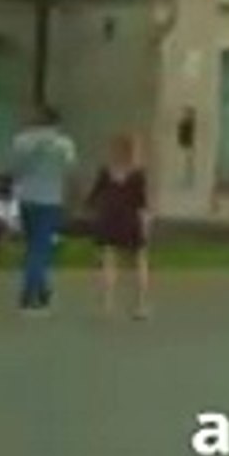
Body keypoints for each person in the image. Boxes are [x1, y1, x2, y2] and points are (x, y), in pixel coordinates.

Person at [8, 104, 77, 316]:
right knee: (41, 248)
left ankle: (42, 289)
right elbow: (70, 170)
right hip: (49, 200)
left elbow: (14, 169)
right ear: (56, 123)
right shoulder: (63, 143)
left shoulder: (21, 141)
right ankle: (29, 296)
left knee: (33, 247)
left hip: (26, 199)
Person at [86, 131, 153, 319]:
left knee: (109, 260)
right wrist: (146, 224)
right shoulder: (138, 174)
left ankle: (108, 305)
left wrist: (94, 211)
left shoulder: (106, 171)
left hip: (109, 219)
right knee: (140, 261)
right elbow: (142, 202)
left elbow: (93, 196)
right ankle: (140, 305)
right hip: (130, 220)